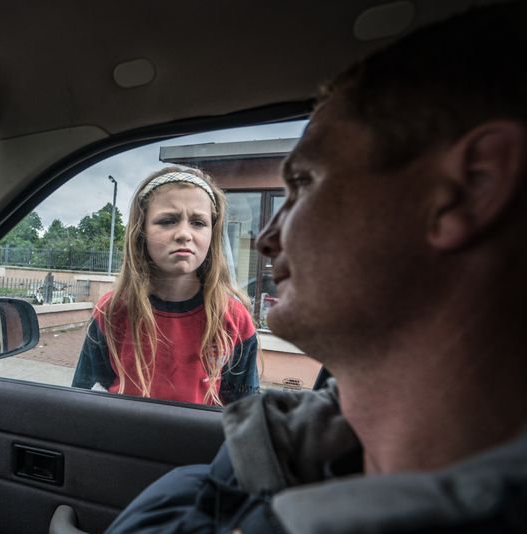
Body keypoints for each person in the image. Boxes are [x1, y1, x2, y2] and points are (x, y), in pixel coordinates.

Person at [107, 2, 527, 532]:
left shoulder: (258, 435)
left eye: (304, 183)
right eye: (167, 221)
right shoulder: (280, 453)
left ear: (470, 188)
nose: (267, 239)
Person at [72, 167, 260, 405]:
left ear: (212, 234)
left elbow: (245, 410)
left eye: (198, 222)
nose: (184, 234)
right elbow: (81, 401)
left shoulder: (234, 319)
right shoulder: (112, 311)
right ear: (141, 231)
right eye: (168, 221)